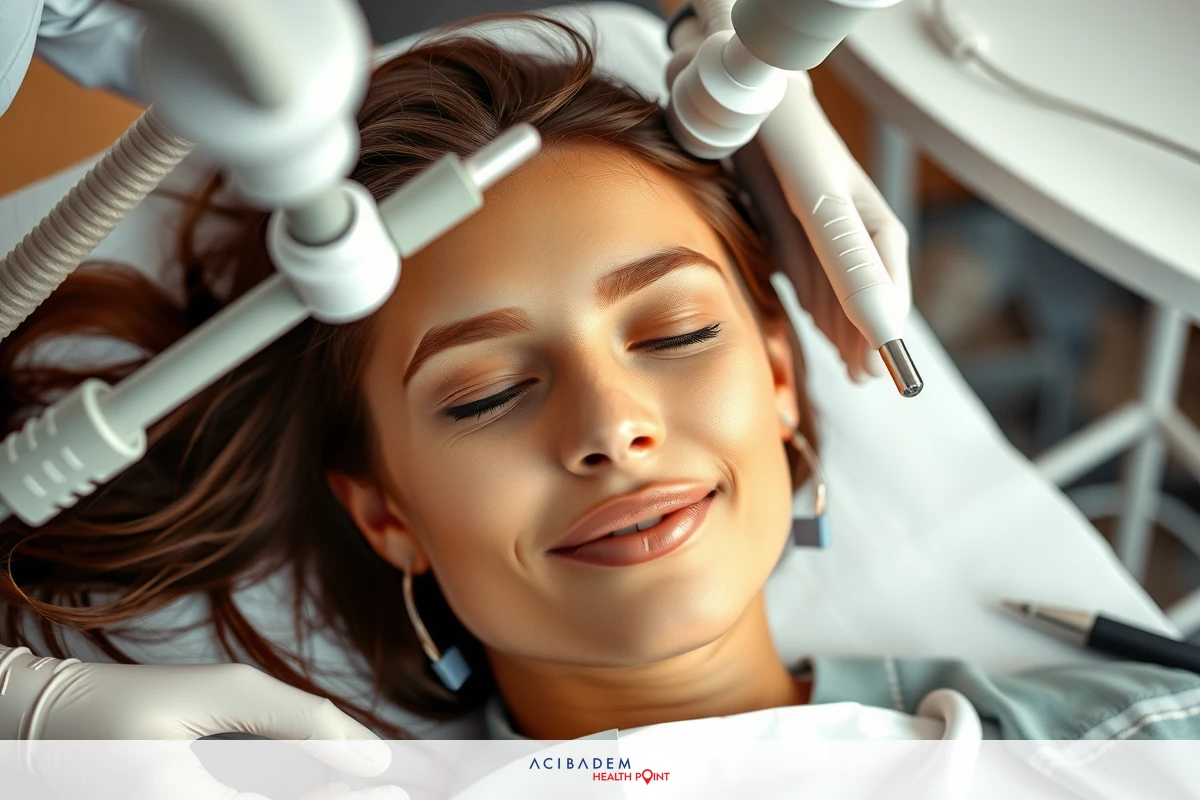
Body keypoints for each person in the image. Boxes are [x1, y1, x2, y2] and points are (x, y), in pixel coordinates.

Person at [4, 14, 1200, 755]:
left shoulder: (1133, 738)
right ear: (388, 511)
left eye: (674, 329)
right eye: (482, 395)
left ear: (781, 377)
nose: (613, 426)